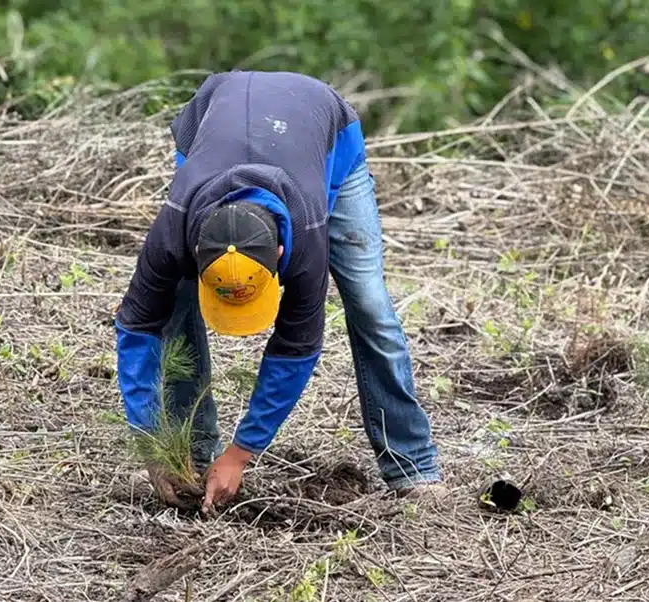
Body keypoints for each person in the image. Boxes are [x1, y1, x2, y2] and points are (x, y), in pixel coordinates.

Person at [114, 70, 445, 513]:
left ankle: (413, 465)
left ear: (281, 252)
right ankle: (190, 452)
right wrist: (154, 445)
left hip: (321, 128)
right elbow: (137, 330)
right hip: (215, 116)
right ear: (196, 250)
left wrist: (241, 453)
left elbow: (296, 348)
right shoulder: (175, 225)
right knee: (172, 305)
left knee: (369, 303)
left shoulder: (308, 233)